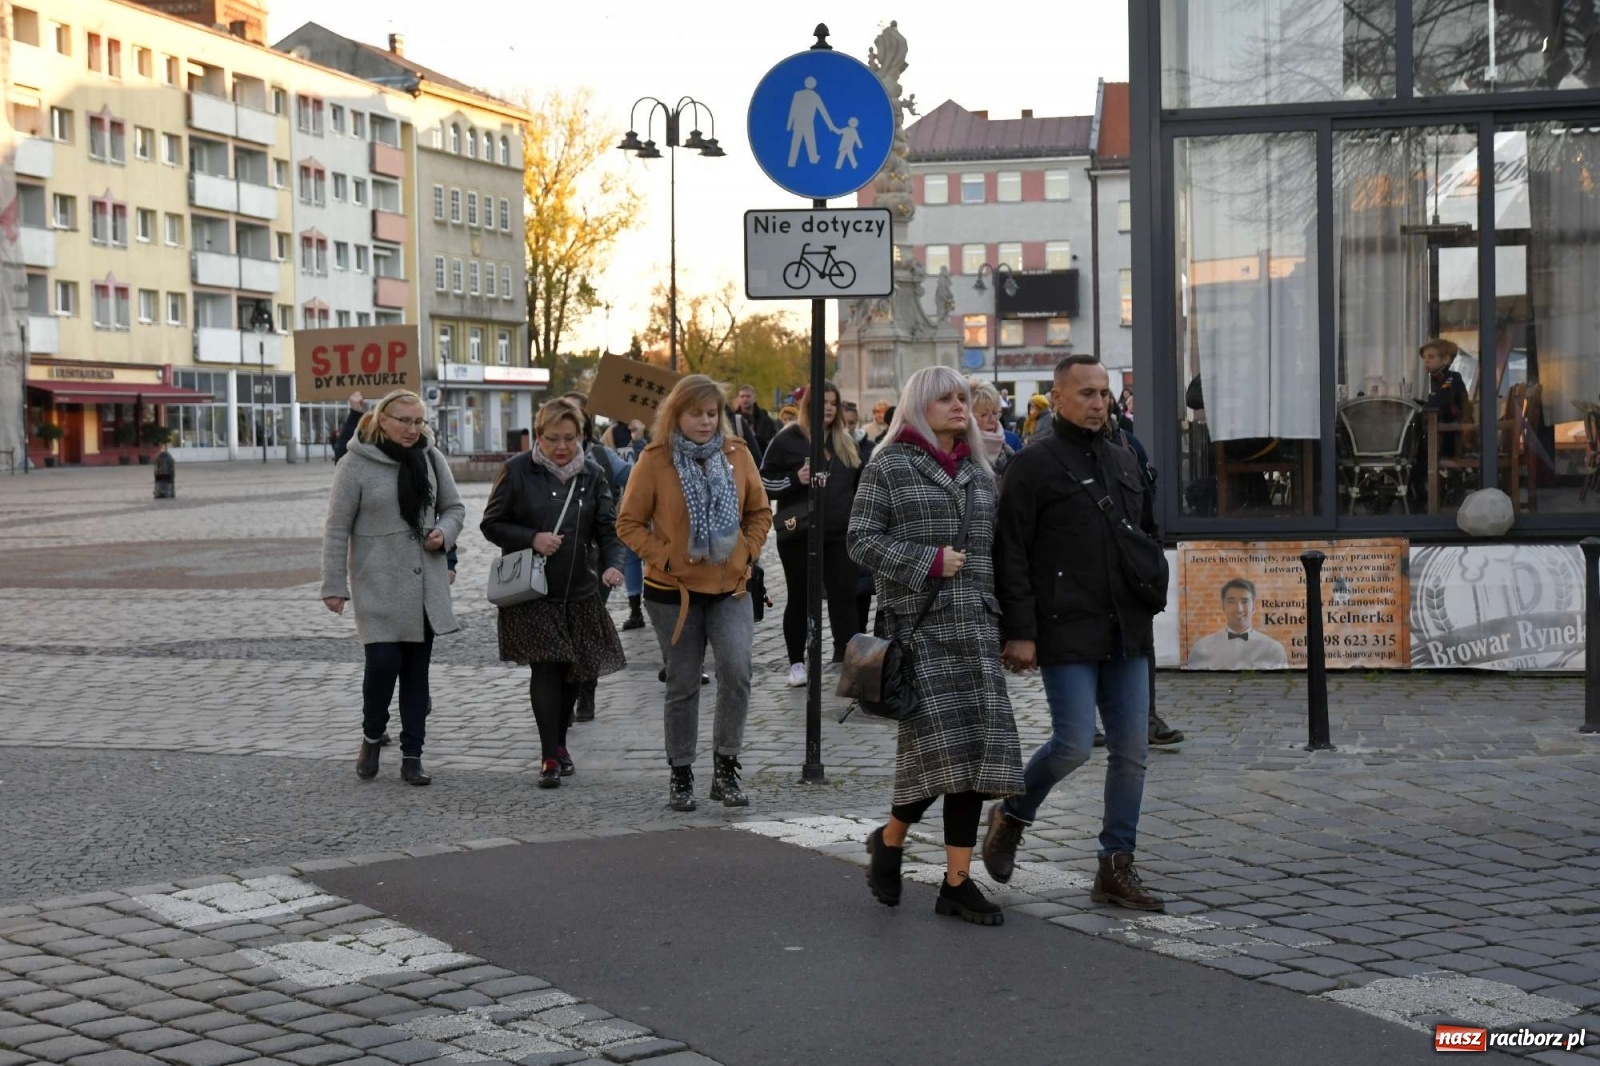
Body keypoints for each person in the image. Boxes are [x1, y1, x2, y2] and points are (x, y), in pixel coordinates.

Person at [984, 355, 1165, 911]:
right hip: (1064, 626)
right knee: (1072, 743)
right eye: (1086, 393)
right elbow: (1010, 553)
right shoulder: (1032, 465)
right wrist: (1020, 631)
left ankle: (1116, 865)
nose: (1097, 403)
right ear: (1057, 398)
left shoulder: (1125, 457)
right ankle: (1013, 812)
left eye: (1104, 394)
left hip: (1126, 626)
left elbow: (1148, 534)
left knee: (1132, 751)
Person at [847, 366, 1024, 927]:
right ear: (920, 405)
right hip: (919, 631)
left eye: (963, 399)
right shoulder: (890, 465)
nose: (959, 407)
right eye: (946, 398)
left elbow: (992, 554)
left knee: (974, 761)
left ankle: (954, 881)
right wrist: (926, 561)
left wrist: (1008, 624)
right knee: (939, 760)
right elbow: (860, 539)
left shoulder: (979, 471)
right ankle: (891, 842)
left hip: (976, 629)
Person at [617, 375, 772, 812]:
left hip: (732, 587)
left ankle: (726, 769)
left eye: (712, 414)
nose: (705, 422)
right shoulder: (654, 460)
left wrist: (747, 550)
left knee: (737, 670)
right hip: (673, 593)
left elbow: (760, 511)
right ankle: (681, 774)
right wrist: (663, 557)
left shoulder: (737, 455)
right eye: (696, 414)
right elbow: (627, 523)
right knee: (683, 683)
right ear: (676, 415)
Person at [320, 389, 465, 787]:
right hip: (377, 583)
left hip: (423, 584)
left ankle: (412, 756)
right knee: (383, 665)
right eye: (404, 420)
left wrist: (443, 533)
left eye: (418, 421)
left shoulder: (431, 458)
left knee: (417, 674)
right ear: (382, 419)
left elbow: (454, 508)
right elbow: (336, 528)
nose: (412, 429)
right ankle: (371, 735)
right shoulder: (355, 463)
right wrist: (334, 585)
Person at [481, 398, 627, 788]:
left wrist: (614, 564)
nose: (561, 447)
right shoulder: (516, 471)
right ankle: (549, 755)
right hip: (533, 590)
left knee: (574, 673)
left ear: (580, 435)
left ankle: (561, 743)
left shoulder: (593, 474)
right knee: (546, 667)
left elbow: (608, 529)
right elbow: (491, 524)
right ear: (538, 436)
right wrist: (532, 538)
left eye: (569, 438)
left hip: (580, 588)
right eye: (552, 438)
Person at [760, 379, 864, 687]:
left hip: (839, 534)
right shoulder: (788, 439)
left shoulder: (847, 442)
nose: (829, 408)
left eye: (834, 402)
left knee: (844, 598)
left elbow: (859, 488)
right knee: (801, 597)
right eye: (823, 402)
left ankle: (850, 664)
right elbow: (764, 482)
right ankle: (796, 663)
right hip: (799, 533)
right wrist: (795, 478)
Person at [1186, 578, 1288, 670]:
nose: (1239, 609)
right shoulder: (1202, 647)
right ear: (1223, 606)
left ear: (1253, 607)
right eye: (1231, 602)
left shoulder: (1273, 649)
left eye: (1244, 601)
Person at [969, 380, 1021, 483]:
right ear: (969, 416)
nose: (992, 419)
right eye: (984, 414)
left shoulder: (1010, 444)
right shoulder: (960, 449)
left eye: (995, 412)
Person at [734, 384, 779, 458]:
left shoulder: (765, 419)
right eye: (742, 396)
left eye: (748, 396)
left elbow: (773, 441)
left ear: (754, 398)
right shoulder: (733, 419)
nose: (745, 399)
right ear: (738, 399)